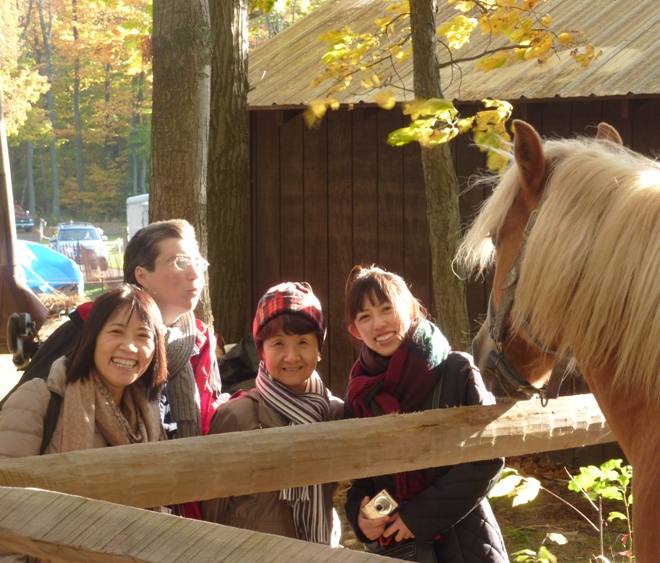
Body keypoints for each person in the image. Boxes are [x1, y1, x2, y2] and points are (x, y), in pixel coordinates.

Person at [343, 265, 509, 563]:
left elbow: (488, 457)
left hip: (467, 539)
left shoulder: (457, 370)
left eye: (386, 309)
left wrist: (417, 517)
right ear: (355, 330)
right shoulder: (360, 393)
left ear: (410, 308)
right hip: (399, 547)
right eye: (365, 316)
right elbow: (371, 481)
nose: (378, 324)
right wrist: (365, 517)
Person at [2, 219, 225, 441]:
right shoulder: (87, 327)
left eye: (198, 263)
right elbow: (19, 418)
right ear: (142, 276)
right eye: (180, 262)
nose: (195, 274)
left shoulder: (199, 341)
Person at [0, 285, 167, 562]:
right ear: (92, 338)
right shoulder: (40, 399)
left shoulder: (148, 414)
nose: (130, 346)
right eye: (116, 332)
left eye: (143, 336)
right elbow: (5, 509)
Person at [200, 282, 343, 547]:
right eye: (278, 343)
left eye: (303, 342)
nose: (291, 356)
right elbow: (210, 510)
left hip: (320, 551)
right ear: (261, 351)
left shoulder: (333, 412)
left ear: (319, 349)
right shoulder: (237, 416)